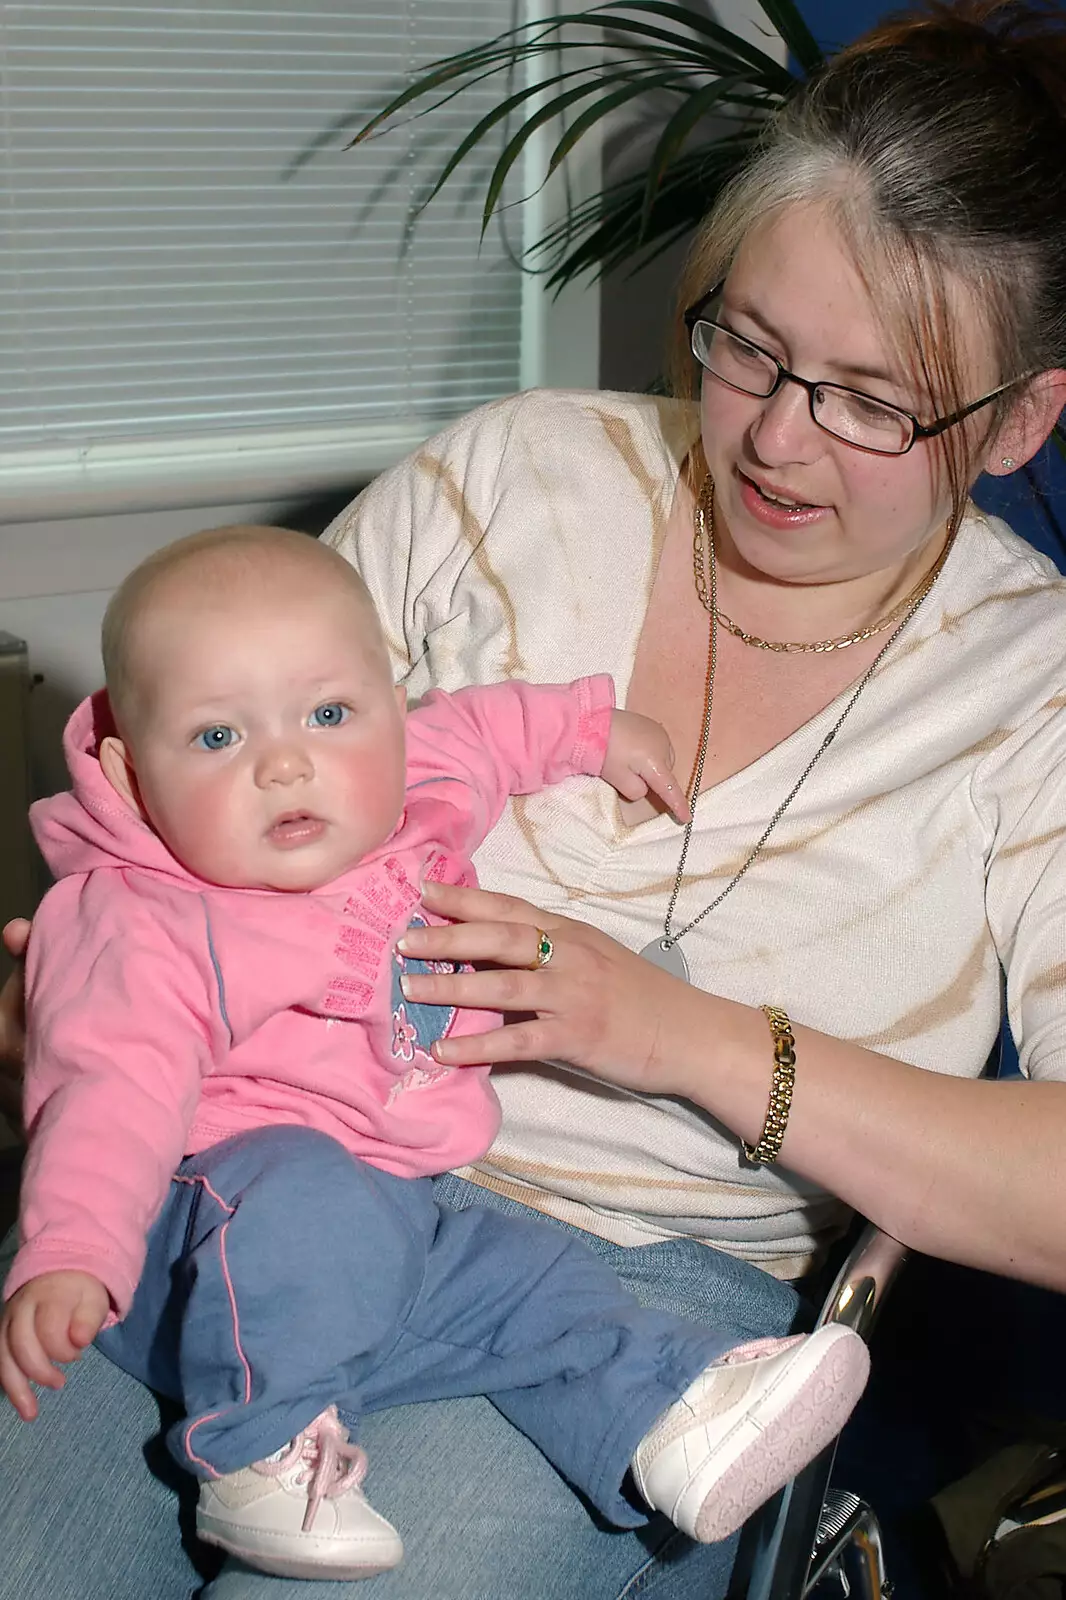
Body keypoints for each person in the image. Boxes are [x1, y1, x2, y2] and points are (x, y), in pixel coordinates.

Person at [2, 0, 1066, 1594]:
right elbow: (191, 780)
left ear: (1016, 422)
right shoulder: (510, 481)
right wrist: (84, 988)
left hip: (638, 1296)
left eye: (870, 398)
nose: (774, 439)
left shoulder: (1032, 690)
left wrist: (679, 1039)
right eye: (748, 345)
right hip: (252, 1172)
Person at [0, 524, 871, 1582]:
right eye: (217, 738)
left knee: (518, 1279)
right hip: (185, 1238)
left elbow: (482, 728)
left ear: (384, 714)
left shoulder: (406, 793)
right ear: (133, 777)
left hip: (391, 1207)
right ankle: (256, 1450)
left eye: (328, 714)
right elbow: (110, 1095)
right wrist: (74, 1248)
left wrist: (590, 729)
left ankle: (673, 1408)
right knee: (308, 1191)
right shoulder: (144, 919)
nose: (286, 761)